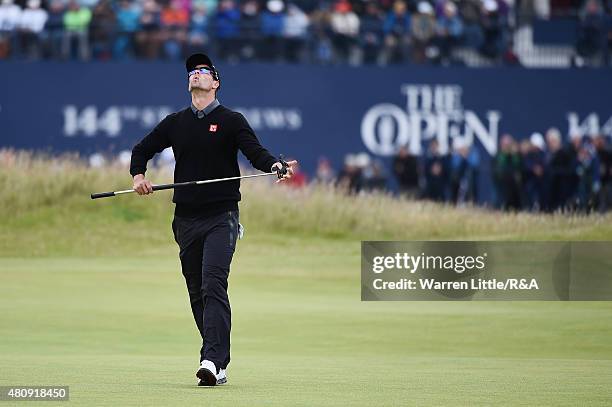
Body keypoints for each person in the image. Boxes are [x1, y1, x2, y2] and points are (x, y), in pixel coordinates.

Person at [129, 53, 297, 386]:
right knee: (196, 292)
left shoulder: (232, 120)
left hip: (222, 216)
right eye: (193, 71)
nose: (197, 74)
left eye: (204, 71)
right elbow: (141, 149)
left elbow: (256, 153)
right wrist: (138, 177)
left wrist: (275, 166)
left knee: (212, 284)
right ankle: (216, 360)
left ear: (216, 83)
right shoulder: (175, 122)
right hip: (186, 219)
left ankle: (212, 360)